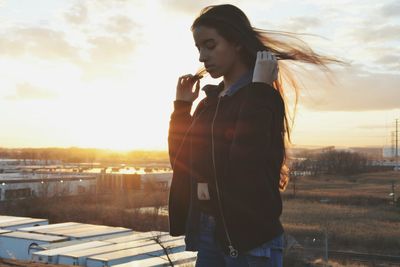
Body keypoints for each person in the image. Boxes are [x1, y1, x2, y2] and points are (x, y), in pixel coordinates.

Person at [168, 4, 340, 266]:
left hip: (250, 239)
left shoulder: (263, 99)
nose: (202, 57)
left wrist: (259, 90)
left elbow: (244, 169)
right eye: (199, 48)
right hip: (208, 231)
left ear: (236, 42)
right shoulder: (209, 103)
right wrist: (181, 110)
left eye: (210, 45)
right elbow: (182, 165)